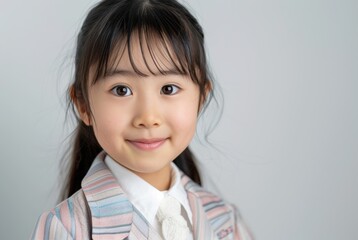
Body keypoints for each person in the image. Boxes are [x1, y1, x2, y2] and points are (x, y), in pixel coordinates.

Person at [31, 0, 253, 239]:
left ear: (201, 98)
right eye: (121, 90)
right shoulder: (68, 227)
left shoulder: (224, 221)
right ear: (83, 104)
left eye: (168, 88)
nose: (148, 117)